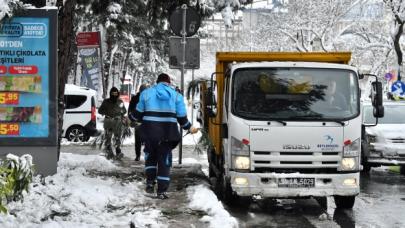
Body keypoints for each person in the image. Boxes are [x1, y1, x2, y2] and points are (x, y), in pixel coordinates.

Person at [132, 73, 198, 199]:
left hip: (150, 134)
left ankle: (150, 183)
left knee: (150, 158)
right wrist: (190, 127)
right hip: (168, 135)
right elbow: (182, 118)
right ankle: (161, 191)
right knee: (164, 161)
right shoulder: (176, 96)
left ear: (157, 82)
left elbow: (137, 114)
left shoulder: (146, 93)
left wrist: (130, 119)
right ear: (168, 83)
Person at [98, 87, 127, 159]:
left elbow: (124, 111)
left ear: (118, 94)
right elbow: (100, 111)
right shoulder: (106, 101)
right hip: (108, 121)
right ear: (110, 94)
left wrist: (121, 115)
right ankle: (108, 151)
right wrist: (106, 113)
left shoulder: (120, 102)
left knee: (117, 137)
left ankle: (118, 151)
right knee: (108, 137)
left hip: (117, 122)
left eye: (116, 93)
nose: (114, 95)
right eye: (113, 93)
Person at [128, 84, 149, 161]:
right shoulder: (137, 98)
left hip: (141, 121)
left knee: (140, 140)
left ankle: (139, 155)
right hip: (142, 121)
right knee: (142, 140)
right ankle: (140, 155)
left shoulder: (137, 98)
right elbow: (130, 109)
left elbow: (130, 110)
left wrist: (131, 118)